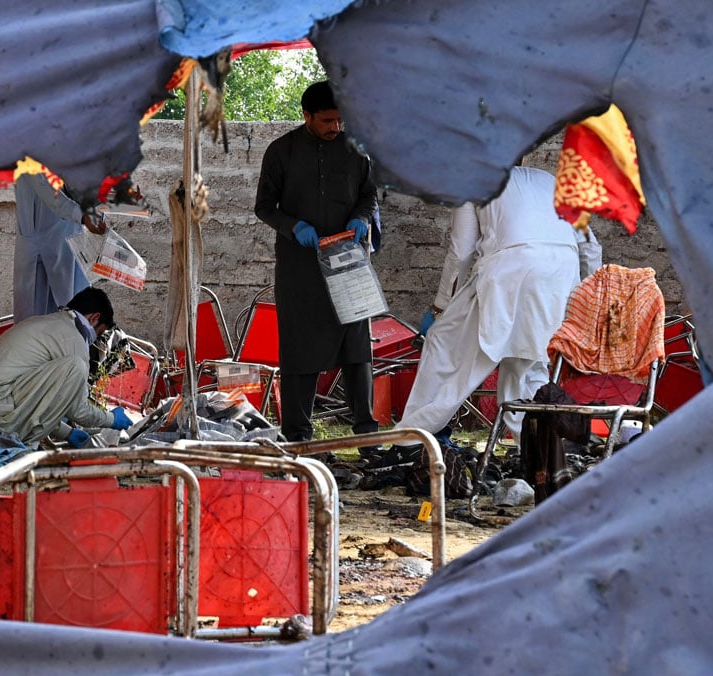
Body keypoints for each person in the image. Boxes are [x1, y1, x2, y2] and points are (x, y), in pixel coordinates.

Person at [386, 165, 602, 462]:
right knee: (528, 364)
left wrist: (441, 306)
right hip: (561, 276)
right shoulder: (549, 180)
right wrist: (589, 298)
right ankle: (537, 451)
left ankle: (411, 436)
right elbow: (590, 247)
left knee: (447, 349)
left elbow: (461, 252)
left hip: (510, 273)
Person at [254, 80, 381, 456]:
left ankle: (367, 437)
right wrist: (295, 227)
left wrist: (361, 218)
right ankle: (298, 437)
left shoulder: (357, 150)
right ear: (306, 116)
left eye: (341, 120)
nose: (335, 127)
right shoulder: (281, 152)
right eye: (327, 120)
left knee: (357, 347)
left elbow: (369, 193)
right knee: (299, 346)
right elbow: (264, 207)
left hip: (347, 261)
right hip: (300, 265)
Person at [0, 286, 133, 447]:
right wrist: (112, 419)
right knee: (75, 366)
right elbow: (79, 412)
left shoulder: (48, 323)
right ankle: (16, 442)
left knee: (70, 369)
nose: (95, 340)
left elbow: (39, 400)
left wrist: (68, 432)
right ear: (94, 318)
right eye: (100, 332)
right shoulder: (74, 340)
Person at [12, 172, 106, 321]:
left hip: (69, 241)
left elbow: (75, 188)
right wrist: (82, 216)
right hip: (38, 249)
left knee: (75, 317)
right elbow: (48, 191)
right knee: (34, 322)